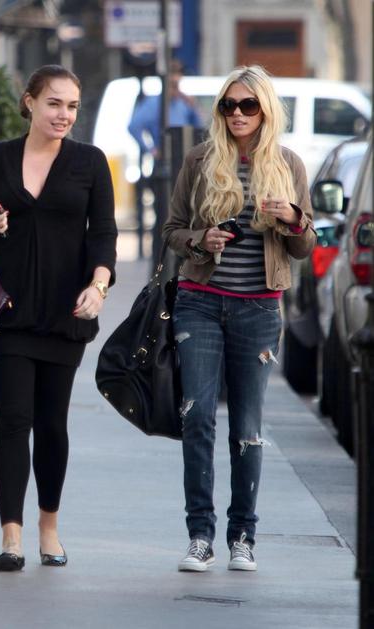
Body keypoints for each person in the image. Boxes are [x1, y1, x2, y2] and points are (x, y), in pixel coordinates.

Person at [0, 64, 117, 572]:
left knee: (51, 425)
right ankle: (12, 538)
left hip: (66, 315)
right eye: (54, 103)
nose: (64, 114)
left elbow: (103, 235)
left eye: (72, 106)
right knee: (12, 422)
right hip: (7, 315)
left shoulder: (90, 163)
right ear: (29, 102)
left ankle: (49, 527)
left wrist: (98, 286)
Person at [162, 65, 316, 573]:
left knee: (247, 426)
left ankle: (243, 536)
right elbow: (172, 229)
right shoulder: (200, 160)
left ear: (266, 110)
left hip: (259, 310)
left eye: (248, 105)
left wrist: (292, 217)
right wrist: (200, 239)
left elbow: (304, 247)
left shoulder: (288, 164)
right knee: (197, 416)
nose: (238, 114)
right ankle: (199, 536)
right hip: (200, 301)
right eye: (229, 105)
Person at [128, 60, 203, 268]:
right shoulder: (155, 103)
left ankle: (180, 261)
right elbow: (134, 126)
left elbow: (201, 128)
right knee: (164, 216)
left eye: (178, 78)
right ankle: (160, 263)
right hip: (165, 165)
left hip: (185, 165)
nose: (175, 83)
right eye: (172, 79)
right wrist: (151, 149)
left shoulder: (183, 103)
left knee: (187, 215)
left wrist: (193, 106)